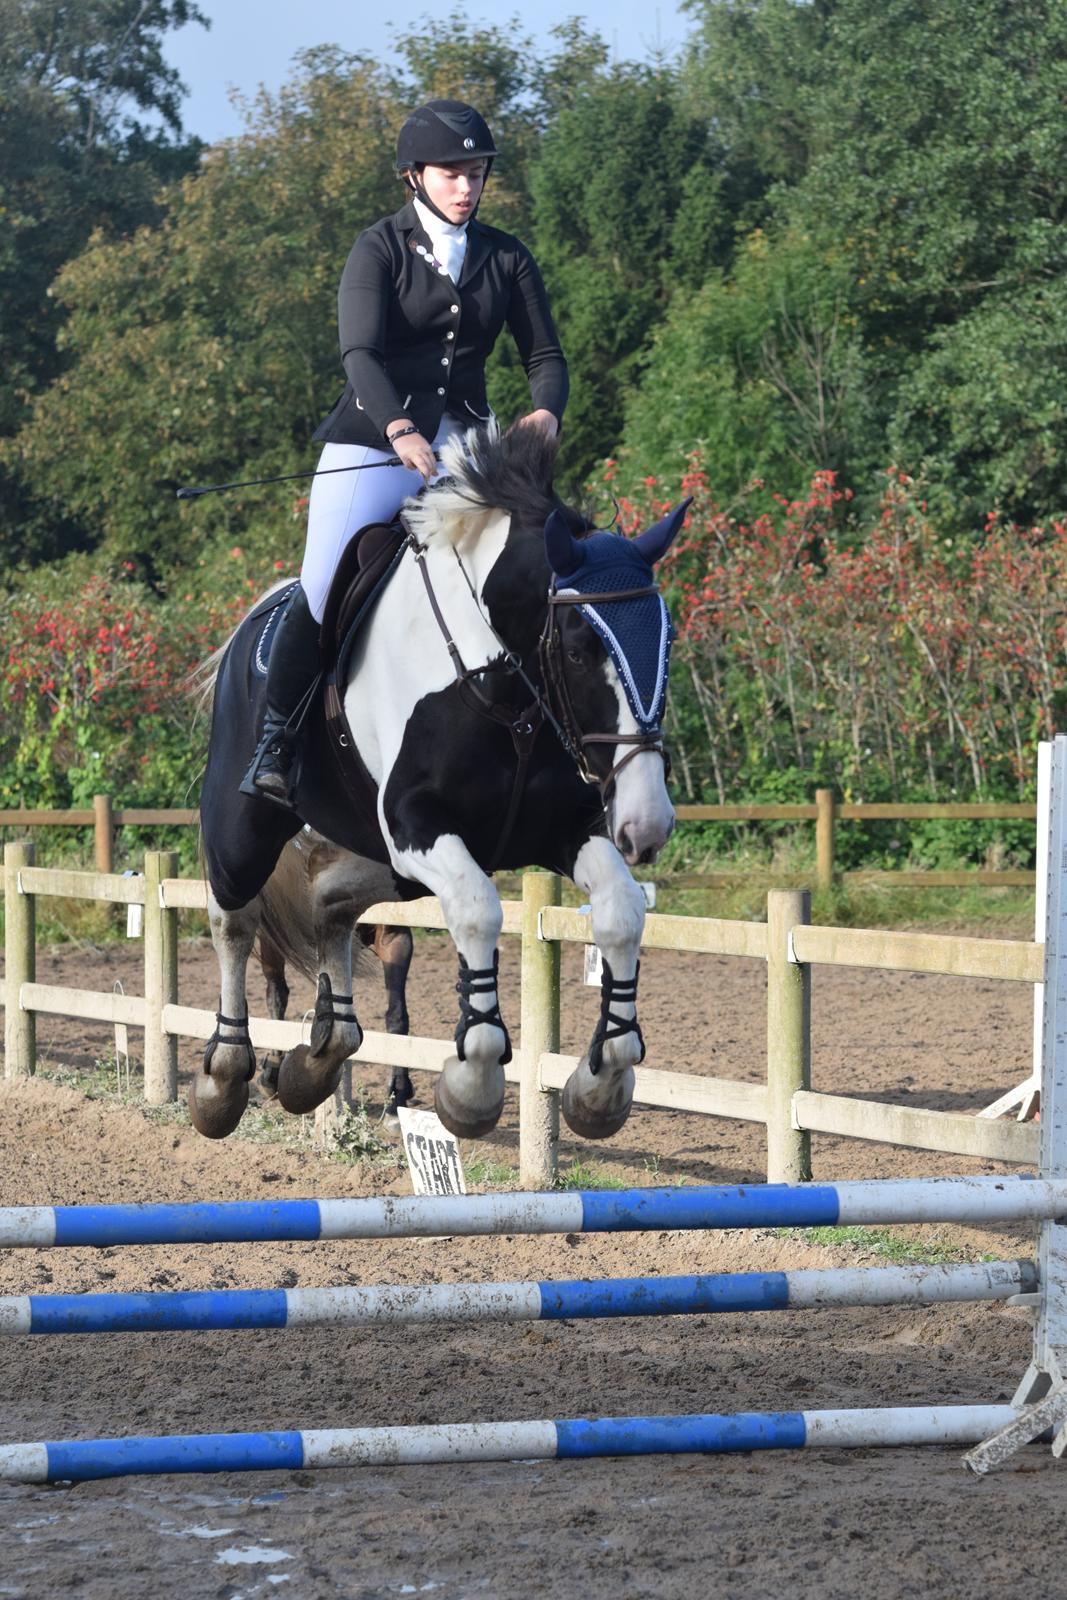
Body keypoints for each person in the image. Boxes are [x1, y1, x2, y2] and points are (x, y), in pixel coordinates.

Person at [242, 98, 569, 807]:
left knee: (525, 562)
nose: (467, 187)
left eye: (475, 174)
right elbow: (359, 353)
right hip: (373, 439)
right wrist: (397, 427)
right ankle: (276, 741)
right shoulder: (379, 248)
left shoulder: (506, 256)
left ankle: (548, 735)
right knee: (322, 581)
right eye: (452, 174)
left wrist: (546, 411)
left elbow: (544, 355)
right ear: (414, 176)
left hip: (467, 445)